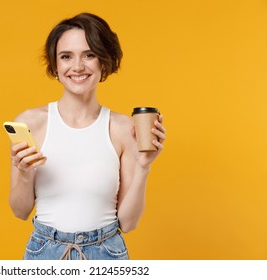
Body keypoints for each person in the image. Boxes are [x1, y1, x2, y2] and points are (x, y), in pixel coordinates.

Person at [9, 13, 166, 260]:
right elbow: (20, 210)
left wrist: (143, 166)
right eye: (66, 56)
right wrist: (24, 173)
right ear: (55, 65)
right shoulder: (30, 123)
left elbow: (128, 223)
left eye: (89, 55)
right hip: (45, 253)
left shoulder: (123, 128)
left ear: (104, 62)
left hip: (106, 253)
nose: (78, 66)